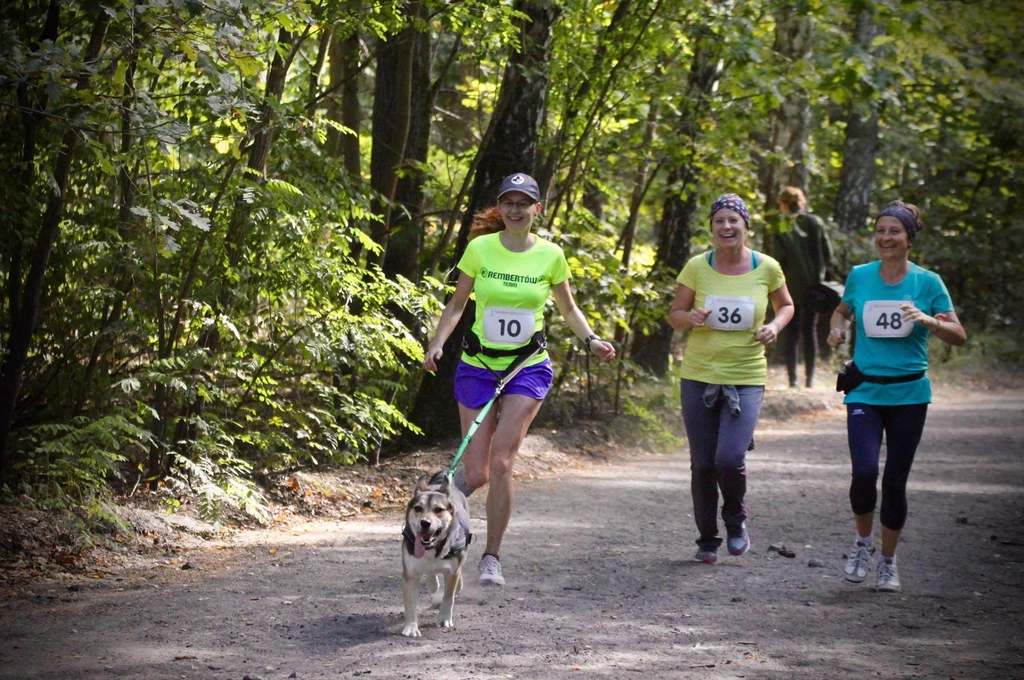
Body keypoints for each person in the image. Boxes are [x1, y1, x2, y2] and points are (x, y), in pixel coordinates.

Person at [422, 172, 616, 586]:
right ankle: (445, 495)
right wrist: (437, 343)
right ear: (500, 208)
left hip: (527, 366)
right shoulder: (479, 249)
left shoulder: (550, 255)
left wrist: (592, 339)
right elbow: (457, 304)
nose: (515, 209)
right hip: (478, 364)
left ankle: (491, 557)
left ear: (536, 209)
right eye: (507, 202)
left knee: (502, 462)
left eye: (522, 202)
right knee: (476, 473)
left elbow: (568, 308)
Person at [827, 200, 966, 593]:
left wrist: (928, 321)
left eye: (894, 231)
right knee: (864, 472)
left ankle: (888, 562)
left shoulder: (928, 282)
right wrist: (836, 329)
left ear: (909, 239)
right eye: (880, 231)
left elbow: (959, 334)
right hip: (865, 391)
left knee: (895, 482)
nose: (885, 238)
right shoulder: (860, 276)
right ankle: (862, 544)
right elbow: (841, 312)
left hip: (909, 394)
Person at [668, 193, 794, 564]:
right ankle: (707, 539)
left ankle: (735, 521)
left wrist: (774, 325)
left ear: (745, 226)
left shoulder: (767, 267)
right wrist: (689, 318)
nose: (727, 227)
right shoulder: (697, 266)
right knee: (702, 463)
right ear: (711, 227)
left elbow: (786, 305)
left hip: (746, 375)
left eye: (733, 221)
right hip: (699, 374)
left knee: (729, 457)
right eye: (720, 221)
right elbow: (675, 312)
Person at [774, 186, 834, 388]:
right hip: (814, 288)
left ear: (783, 204)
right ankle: (810, 379)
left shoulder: (782, 226)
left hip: (789, 288)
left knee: (791, 332)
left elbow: (777, 259)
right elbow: (828, 254)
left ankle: (793, 381)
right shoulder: (816, 222)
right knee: (810, 330)